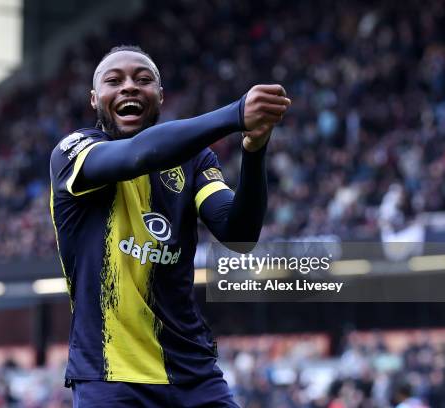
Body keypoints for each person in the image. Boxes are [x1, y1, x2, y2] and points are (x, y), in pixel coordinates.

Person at [49, 45, 290, 407]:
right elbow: (137, 154)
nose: (129, 86)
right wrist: (236, 113)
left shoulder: (193, 161)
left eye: (143, 79)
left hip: (194, 375)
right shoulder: (74, 151)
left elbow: (238, 234)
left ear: (160, 96)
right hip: (111, 379)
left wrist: (254, 150)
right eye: (114, 80)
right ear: (95, 99)